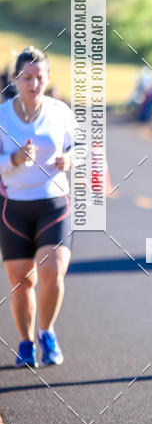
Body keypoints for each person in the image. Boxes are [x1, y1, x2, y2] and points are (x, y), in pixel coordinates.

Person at [0, 47, 73, 368]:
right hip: (14, 207)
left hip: (53, 203)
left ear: (47, 78)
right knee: (22, 282)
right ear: (16, 79)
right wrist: (12, 160)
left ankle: (46, 331)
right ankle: (26, 342)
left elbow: (85, 151)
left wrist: (69, 159)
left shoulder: (59, 112)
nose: (34, 83)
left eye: (40, 77)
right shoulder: (2, 116)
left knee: (52, 272)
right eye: (27, 77)